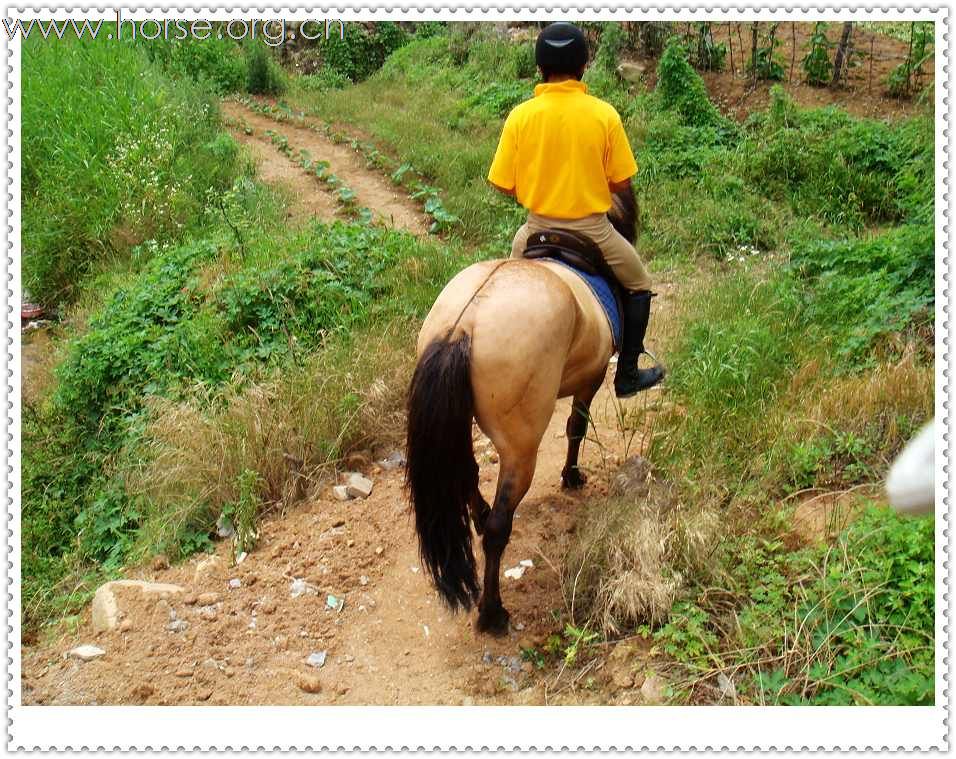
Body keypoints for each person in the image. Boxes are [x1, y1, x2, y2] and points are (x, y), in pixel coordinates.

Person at [487, 21, 664, 397]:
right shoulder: (604, 115)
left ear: (540, 69)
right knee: (640, 283)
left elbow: (502, 183)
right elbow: (621, 184)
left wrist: (536, 186)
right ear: (584, 66)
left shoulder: (521, 116)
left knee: (501, 288)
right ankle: (628, 374)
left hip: (534, 230)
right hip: (593, 231)